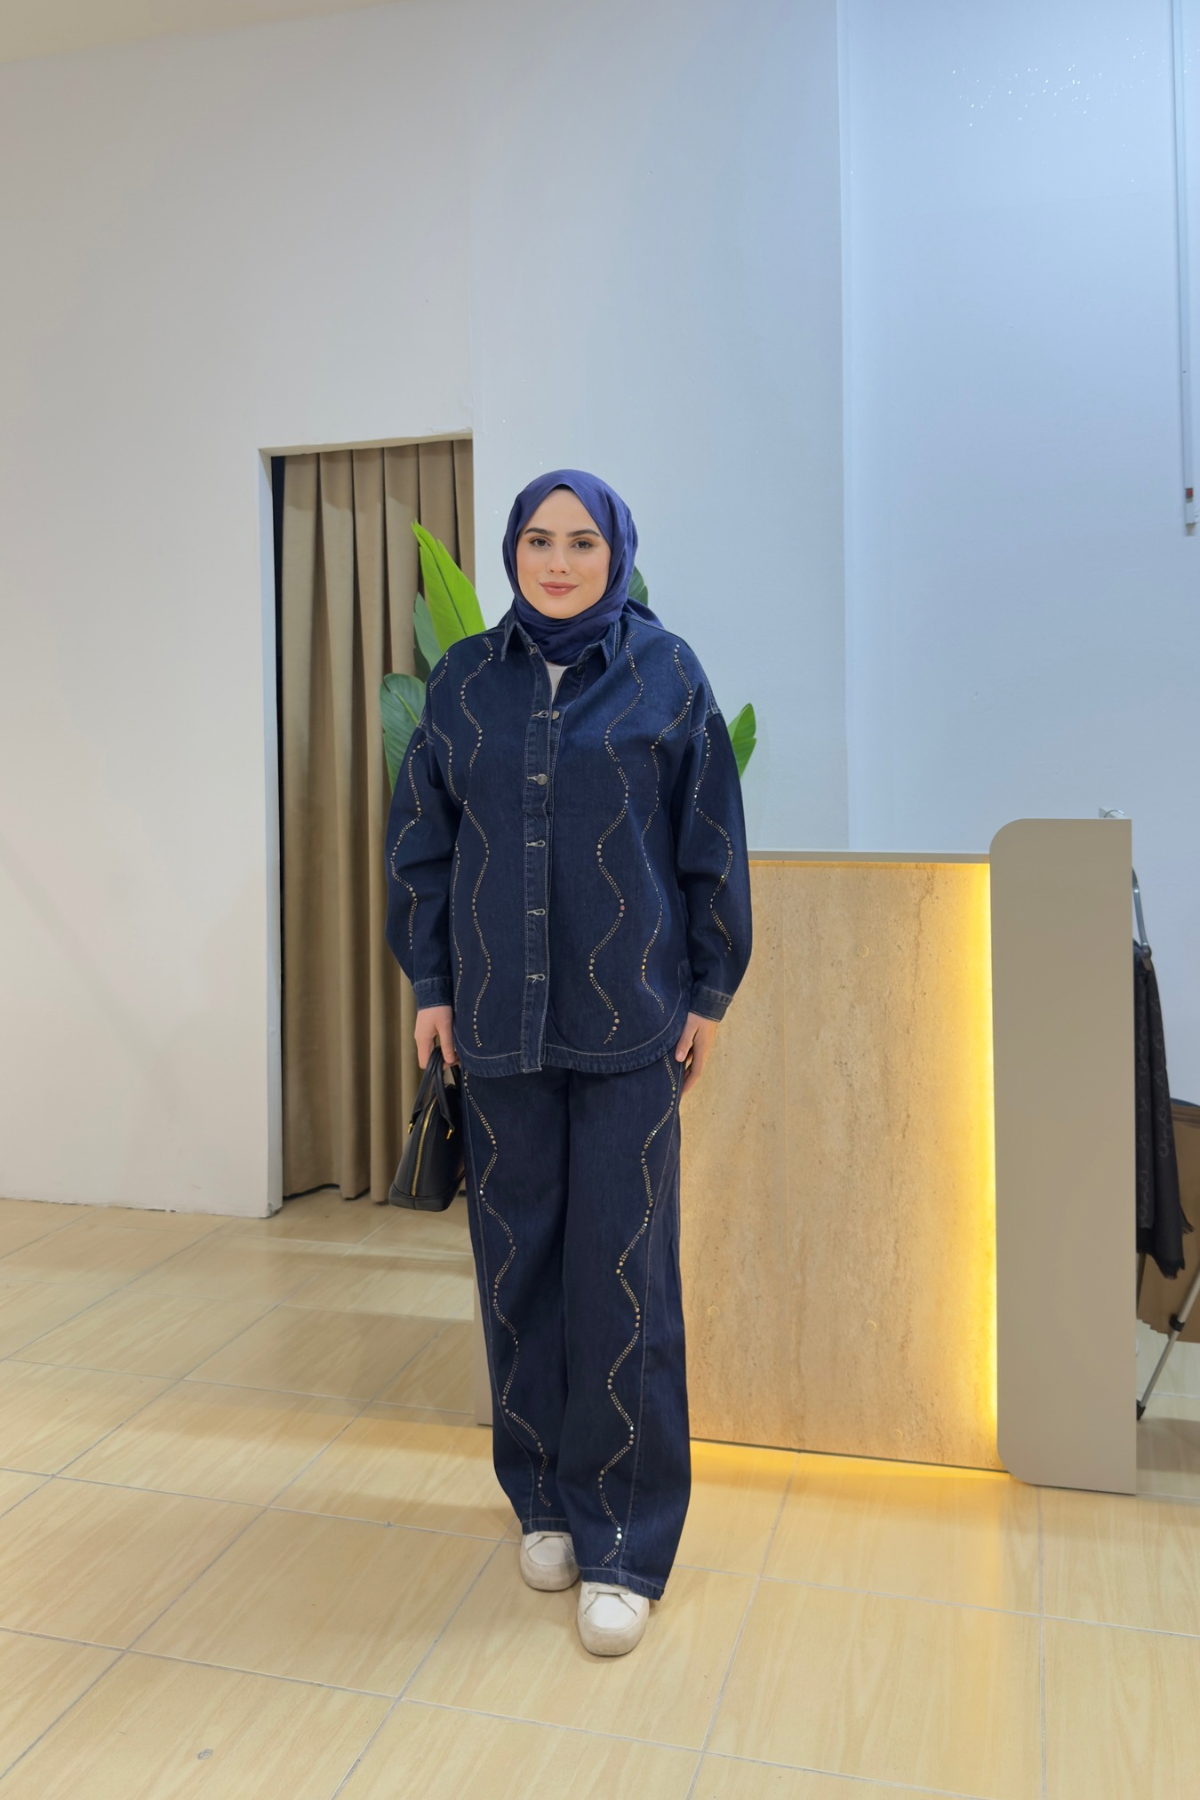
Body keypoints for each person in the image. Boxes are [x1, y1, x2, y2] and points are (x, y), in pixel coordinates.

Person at [384, 468, 752, 1656]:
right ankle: (543, 1498)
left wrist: (710, 989)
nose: (557, 560)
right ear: (513, 550)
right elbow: (422, 841)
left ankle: (626, 1544)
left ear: (616, 554)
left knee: (625, 1283)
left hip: (631, 1024)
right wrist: (431, 985)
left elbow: (709, 838)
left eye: (581, 541)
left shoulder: (667, 676)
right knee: (517, 1275)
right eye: (538, 539)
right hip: (496, 1027)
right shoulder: (464, 684)